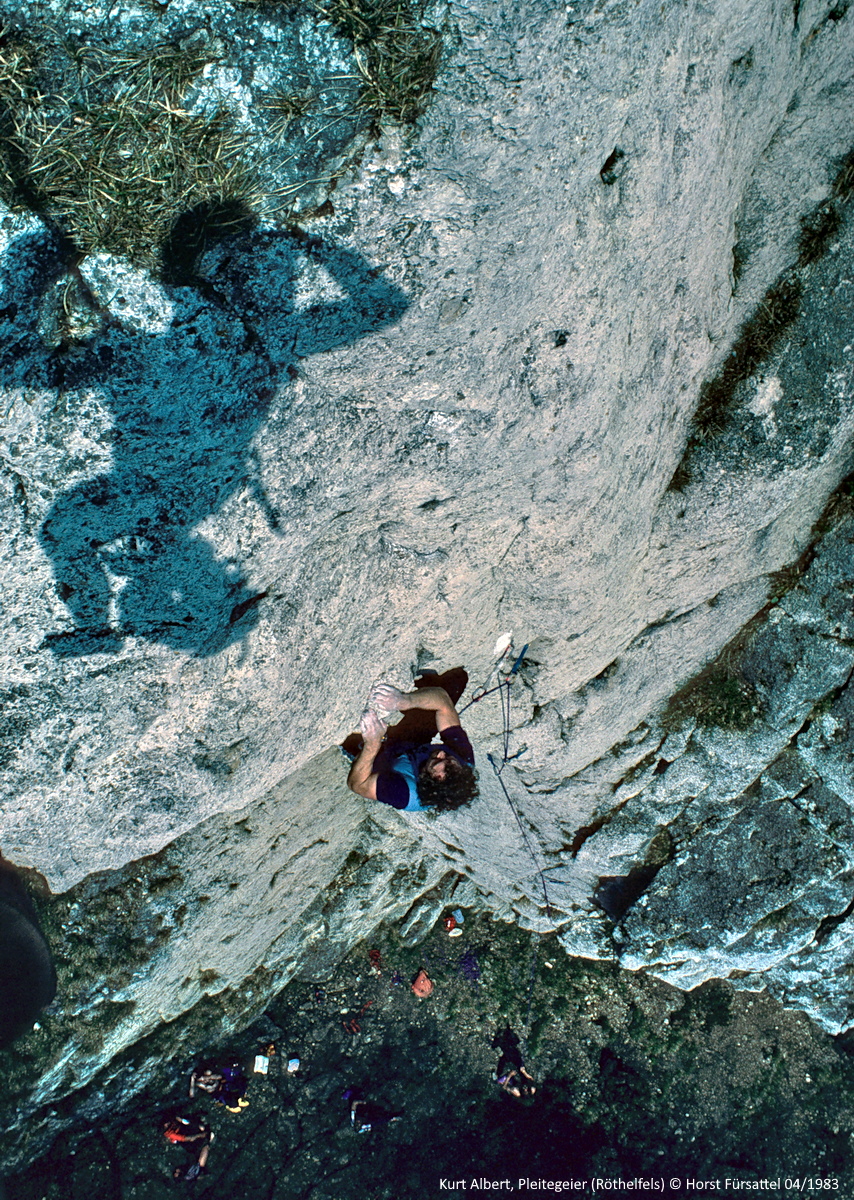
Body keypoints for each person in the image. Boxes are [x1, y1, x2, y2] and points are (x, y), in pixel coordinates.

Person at [344, 669, 478, 813]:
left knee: (348, 729)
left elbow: (357, 784)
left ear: (432, 778)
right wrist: (403, 701)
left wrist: (372, 743)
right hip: (411, 743)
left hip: (381, 758)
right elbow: (444, 703)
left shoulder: (404, 794)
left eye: (437, 761)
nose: (441, 753)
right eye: (448, 757)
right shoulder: (463, 760)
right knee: (457, 681)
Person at [163, 1114, 213, 1182]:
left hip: (186, 1137)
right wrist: (203, 1137)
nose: (177, 1170)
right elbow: (188, 1139)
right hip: (188, 1142)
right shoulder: (192, 1172)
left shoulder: (188, 1171)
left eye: (175, 1171)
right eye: (178, 1172)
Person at [492, 1026, 536, 1102]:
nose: (525, 1089)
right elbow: (531, 1079)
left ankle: (500, 1049)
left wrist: (509, 1075)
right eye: (526, 1090)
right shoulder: (532, 1088)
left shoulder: (517, 1092)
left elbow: (504, 1087)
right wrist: (524, 1072)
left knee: (500, 1077)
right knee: (519, 1062)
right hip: (520, 1076)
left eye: (524, 1091)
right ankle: (509, 1041)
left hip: (511, 1081)